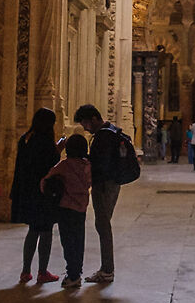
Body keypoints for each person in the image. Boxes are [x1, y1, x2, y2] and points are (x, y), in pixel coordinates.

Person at [74, 101, 129, 284]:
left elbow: (101, 164)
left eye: (86, 124)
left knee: (103, 226)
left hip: (104, 185)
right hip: (111, 183)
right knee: (102, 225)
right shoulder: (111, 130)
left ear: (94, 118)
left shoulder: (103, 137)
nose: (86, 128)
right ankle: (106, 268)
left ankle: (107, 270)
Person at [10, 106, 60, 288]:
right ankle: (42, 271)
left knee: (33, 231)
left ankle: (25, 271)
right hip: (42, 192)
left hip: (27, 191)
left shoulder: (26, 138)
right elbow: (49, 164)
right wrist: (58, 149)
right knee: (46, 232)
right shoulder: (44, 141)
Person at [41, 131, 92, 293]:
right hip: (81, 207)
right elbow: (90, 182)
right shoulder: (87, 166)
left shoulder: (64, 165)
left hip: (65, 208)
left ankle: (72, 273)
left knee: (68, 241)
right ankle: (77, 272)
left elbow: (45, 182)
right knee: (79, 240)